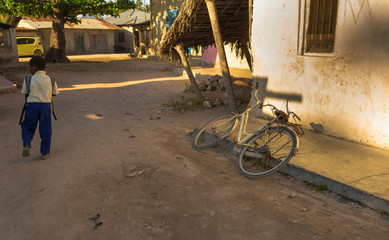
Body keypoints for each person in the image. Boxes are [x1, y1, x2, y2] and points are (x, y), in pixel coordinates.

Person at [21, 56, 59, 160]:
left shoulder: (28, 79)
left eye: (30, 67)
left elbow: (24, 92)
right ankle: (45, 153)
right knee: (46, 129)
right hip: (45, 106)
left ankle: (27, 144)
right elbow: (55, 93)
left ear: (35, 67)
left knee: (27, 127)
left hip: (32, 106)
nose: (30, 69)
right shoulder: (50, 79)